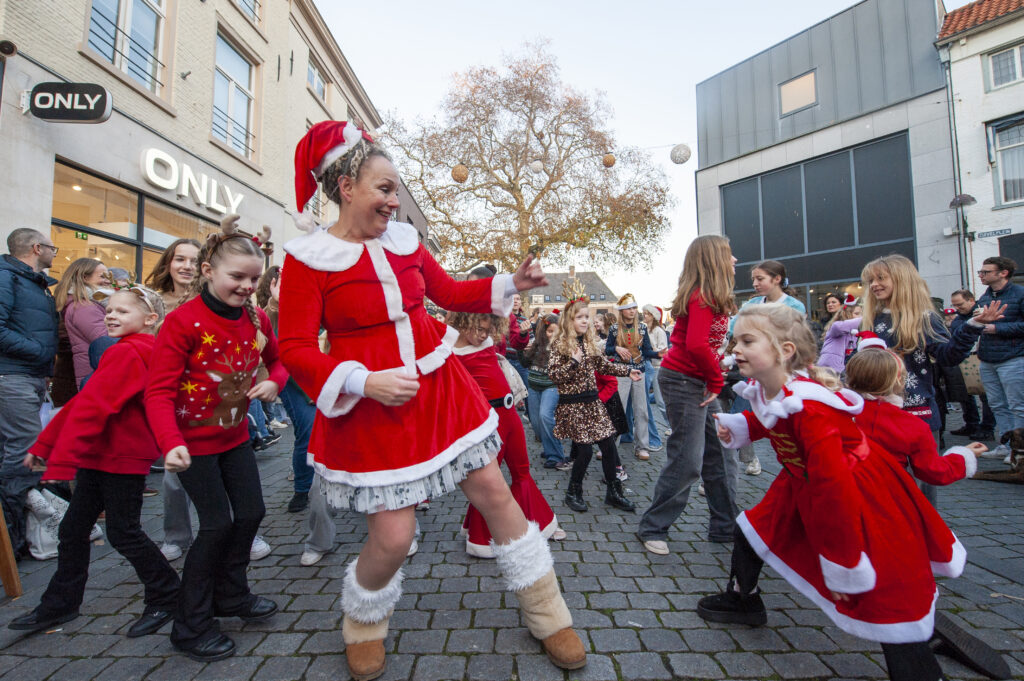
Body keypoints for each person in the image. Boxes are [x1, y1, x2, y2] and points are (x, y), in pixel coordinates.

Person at [277, 121, 585, 678]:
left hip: (439, 388)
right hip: (373, 404)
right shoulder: (308, 259)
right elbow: (294, 345)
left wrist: (511, 284)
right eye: (385, 188)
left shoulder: (406, 243)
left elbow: (447, 293)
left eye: (396, 190)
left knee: (495, 489)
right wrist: (360, 381)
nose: (396, 201)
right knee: (394, 538)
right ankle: (363, 621)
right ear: (346, 186)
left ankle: (549, 613)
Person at [703, 304, 968, 681]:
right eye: (736, 340)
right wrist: (744, 426)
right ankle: (743, 599)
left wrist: (843, 566)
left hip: (855, 494)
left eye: (747, 341)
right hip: (801, 483)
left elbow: (834, 488)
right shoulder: (777, 387)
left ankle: (920, 671)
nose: (736, 349)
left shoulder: (812, 409)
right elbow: (775, 416)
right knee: (751, 530)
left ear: (785, 350)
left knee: (885, 594)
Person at [145, 221, 286, 661]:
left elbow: (279, 362)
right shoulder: (182, 322)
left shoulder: (255, 316)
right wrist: (170, 442)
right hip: (192, 445)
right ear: (208, 270)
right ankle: (190, 626)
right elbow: (158, 391)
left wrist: (274, 384)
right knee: (216, 526)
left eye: (254, 279)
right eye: (237, 278)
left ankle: (232, 595)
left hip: (235, 436)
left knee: (251, 513)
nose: (247, 286)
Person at [10, 287, 180, 638]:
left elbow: (91, 407)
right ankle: (61, 603)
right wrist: (47, 444)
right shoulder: (132, 351)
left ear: (150, 319)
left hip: (118, 457)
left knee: (123, 532)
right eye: (109, 311)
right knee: (76, 530)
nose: (111, 316)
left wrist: (53, 453)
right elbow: (86, 402)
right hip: (107, 455)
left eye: (122, 311)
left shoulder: (130, 353)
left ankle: (167, 594)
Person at [860, 255, 1003, 502]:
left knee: (920, 489)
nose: (874, 284)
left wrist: (971, 327)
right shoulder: (872, 318)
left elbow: (948, 356)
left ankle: (922, 535)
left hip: (916, 413)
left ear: (902, 280)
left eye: (881, 278)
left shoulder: (924, 317)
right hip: (876, 413)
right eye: (870, 280)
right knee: (880, 486)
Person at [637, 235, 739, 555]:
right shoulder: (702, 296)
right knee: (687, 459)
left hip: (696, 381)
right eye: (729, 254)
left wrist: (715, 372)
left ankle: (725, 527)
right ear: (714, 259)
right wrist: (716, 379)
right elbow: (695, 344)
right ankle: (653, 526)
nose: (734, 261)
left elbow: (703, 345)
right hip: (684, 382)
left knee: (720, 455)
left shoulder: (709, 295)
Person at [449, 311, 563, 557]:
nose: (482, 334)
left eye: (487, 329)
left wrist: (521, 332)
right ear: (463, 321)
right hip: (488, 422)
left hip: (511, 413)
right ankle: (482, 538)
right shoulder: (449, 348)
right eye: (478, 328)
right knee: (490, 482)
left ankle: (539, 526)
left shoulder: (488, 340)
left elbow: (516, 340)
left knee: (522, 471)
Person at [548, 281, 639, 513]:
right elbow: (555, 376)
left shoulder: (589, 343)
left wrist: (628, 371)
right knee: (585, 451)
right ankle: (573, 491)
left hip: (593, 403)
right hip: (573, 405)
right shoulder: (560, 345)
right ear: (570, 320)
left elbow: (603, 365)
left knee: (609, 446)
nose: (585, 321)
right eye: (580, 317)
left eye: (587, 317)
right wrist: (574, 362)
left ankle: (614, 492)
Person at [846, 339, 985, 484]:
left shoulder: (835, 413)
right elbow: (934, 471)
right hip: (888, 492)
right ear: (899, 381)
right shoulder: (911, 424)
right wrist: (964, 455)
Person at [0, 228, 59, 551]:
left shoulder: (35, 284)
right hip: (13, 378)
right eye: (53, 248)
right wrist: (39, 352)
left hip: (29, 377)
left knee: (15, 451)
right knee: (26, 454)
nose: (54, 253)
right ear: (37, 248)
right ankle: (15, 539)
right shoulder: (7, 278)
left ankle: (15, 537)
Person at [728, 260, 806, 477]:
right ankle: (728, 469)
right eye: (753, 278)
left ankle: (797, 469)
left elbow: (799, 340)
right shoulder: (750, 305)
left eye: (760, 278)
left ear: (777, 279)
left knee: (788, 425)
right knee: (741, 415)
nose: (754, 283)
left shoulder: (795, 307)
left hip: (785, 374)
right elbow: (734, 331)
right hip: (754, 374)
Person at [974, 257, 1024, 462]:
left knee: (1017, 405)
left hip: (1012, 358)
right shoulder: (985, 297)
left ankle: (1020, 449)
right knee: (997, 404)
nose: (981, 275)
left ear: (1002, 273)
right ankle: (1005, 445)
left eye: (986, 271)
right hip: (987, 359)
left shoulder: (1019, 294)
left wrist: (997, 328)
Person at [605, 294, 659, 460]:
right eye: (629, 308)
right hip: (621, 372)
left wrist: (659, 354)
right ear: (622, 311)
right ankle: (610, 445)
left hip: (638, 372)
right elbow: (607, 350)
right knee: (617, 409)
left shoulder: (642, 328)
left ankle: (642, 446)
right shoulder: (614, 329)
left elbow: (648, 351)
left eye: (634, 308)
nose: (633, 311)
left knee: (641, 410)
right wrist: (616, 349)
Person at [52, 258, 111, 388]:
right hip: (90, 375)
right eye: (103, 276)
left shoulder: (83, 304)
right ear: (85, 277)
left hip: (75, 375)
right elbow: (105, 340)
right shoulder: (84, 307)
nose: (108, 280)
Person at [523, 312, 569, 469]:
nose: (552, 335)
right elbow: (524, 363)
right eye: (550, 332)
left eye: (556, 332)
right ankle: (549, 448)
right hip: (534, 387)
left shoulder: (562, 347)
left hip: (551, 387)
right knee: (536, 423)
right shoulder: (535, 345)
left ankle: (556, 456)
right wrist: (521, 350)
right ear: (543, 332)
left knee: (545, 417)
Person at [949, 289, 996, 440]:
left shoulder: (983, 313)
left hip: (980, 357)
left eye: (960, 304)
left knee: (985, 394)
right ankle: (972, 424)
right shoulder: (958, 319)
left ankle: (987, 427)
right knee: (964, 394)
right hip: (964, 358)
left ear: (971, 300)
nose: (957, 308)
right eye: (954, 305)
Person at [817, 293, 860, 373]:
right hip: (829, 366)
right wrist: (867, 317)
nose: (859, 317)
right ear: (847, 314)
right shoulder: (837, 325)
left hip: (840, 366)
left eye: (833, 302)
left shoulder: (852, 331)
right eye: (857, 314)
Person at [643, 304, 669, 434]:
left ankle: (671, 425)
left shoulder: (659, 331)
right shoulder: (644, 329)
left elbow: (663, 350)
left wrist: (650, 350)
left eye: (647, 313)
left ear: (653, 316)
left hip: (657, 367)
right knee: (643, 399)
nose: (644, 315)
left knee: (660, 400)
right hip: (647, 367)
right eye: (644, 313)